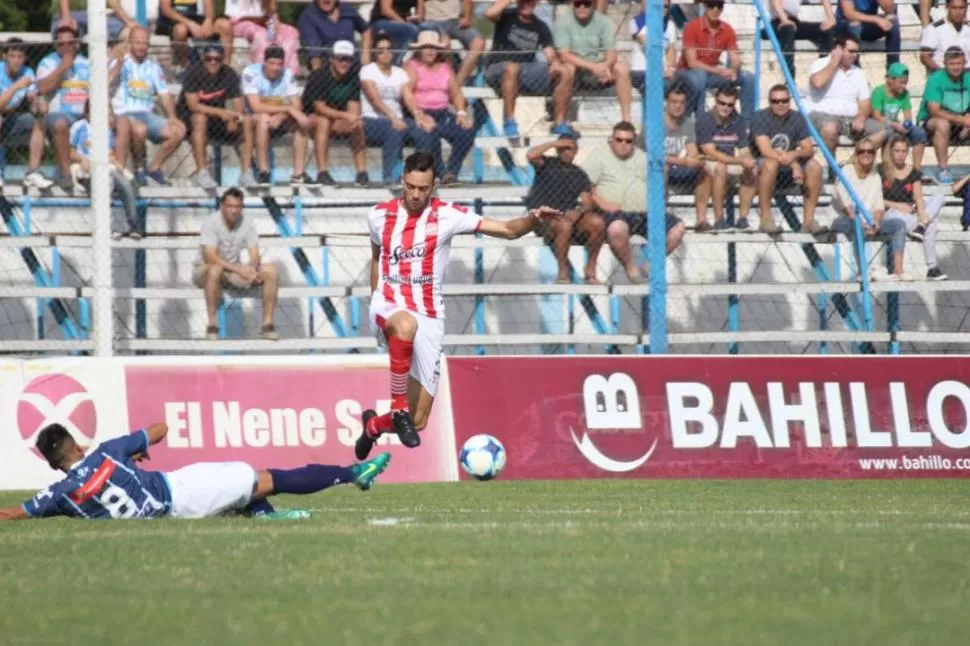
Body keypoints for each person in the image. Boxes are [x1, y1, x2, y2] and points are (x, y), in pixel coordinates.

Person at [355, 151, 563, 459]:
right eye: (410, 186)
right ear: (402, 181)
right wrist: (376, 300)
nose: (414, 194)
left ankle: (373, 426)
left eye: (422, 188)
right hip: (388, 305)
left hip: (429, 314)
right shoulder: (378, 215)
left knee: (419, 420)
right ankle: (396, 406)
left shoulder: (448, 215)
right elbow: (377, 257)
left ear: (434, 185)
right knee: (405, 326)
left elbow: (507, 230)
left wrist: (532, 219)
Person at [0, 423, 391, 521]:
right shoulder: (107, 453)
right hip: (180, 495)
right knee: (267, 478)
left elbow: (13, 513)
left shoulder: (60, 496)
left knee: (250, 482)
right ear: (78, 444)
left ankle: (264, 516)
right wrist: (132, 452)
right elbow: (160, 428)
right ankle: (354, 473)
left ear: (52, 463)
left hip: (176, 501)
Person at [584, 120, 686, 282]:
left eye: (628, 141)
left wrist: (663, 174)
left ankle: (650, 264)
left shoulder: (642, 157)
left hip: (645, 213)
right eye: (619, 140)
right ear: (612, 139)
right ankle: (631, 269)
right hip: (615, 214)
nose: (623, 144)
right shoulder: (599, 156)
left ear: (634, 141)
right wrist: (603, 203)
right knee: (617, 228)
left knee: (678, 228)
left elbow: (657, 186)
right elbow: (585, 187)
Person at [194, 187, 280, 341]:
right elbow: (210, 257)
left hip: (232, 271)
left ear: (242, 207)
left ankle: (267, 325)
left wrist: (252, 269)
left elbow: (254, 254)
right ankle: (212, 326)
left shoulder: (247, 222)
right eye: (230, 206)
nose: (234, 211)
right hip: (205, 269)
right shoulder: (211, 222)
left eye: (237, 207)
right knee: (215, 269)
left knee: (271, 271)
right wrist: (239, 270)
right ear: (222, 206)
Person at [525, 132, 606, 283]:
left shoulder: (579, 173)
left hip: (568, 217)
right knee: (564, 224)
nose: (567, 152)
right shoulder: (546, 164)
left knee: (597, 222)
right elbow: (531, 155)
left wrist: (579, 212)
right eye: (564, 148)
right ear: (558, 149)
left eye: (571, 148)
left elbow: (587, 202)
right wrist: (554, 143)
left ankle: (590, 269)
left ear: (576, 151)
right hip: (545, 218)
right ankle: (563, 271)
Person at [110, 26, 187, 187]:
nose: (141, 46)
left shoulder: (153, 67)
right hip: (124, 113)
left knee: (179, 131)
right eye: (137, 42)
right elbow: (105, 82)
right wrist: (117, 64)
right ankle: (139, 168)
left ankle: (154, 167)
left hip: (146, 114)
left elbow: (164, 94)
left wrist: (172, 117)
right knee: (140, 130)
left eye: (144, 43)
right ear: (130, 43)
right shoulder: (120, 62)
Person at [177, 42, 255, 189]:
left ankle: (246, 172)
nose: (213, 62)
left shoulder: (229, 73)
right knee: (200, 118)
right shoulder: (194, 73)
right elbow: (193, 105)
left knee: (247, 120)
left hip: (216, 120)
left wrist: (235, 117)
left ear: (223, 59)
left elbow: (238, 101)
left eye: (217, 59)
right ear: (203, 59)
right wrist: (222, 112)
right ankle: (202, 172)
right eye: (209, 59)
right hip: (189, 120)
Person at [484, 0, 566, 137]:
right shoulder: (506, 16)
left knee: (565, 71)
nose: (526, 4)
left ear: (536, 3)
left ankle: (559, 122)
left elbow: (549, 51)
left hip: (524, 71)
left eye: (530, 1)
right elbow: (489, 13)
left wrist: (555, 63)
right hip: (497, 68)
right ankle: (509, 121)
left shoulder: (540, 26)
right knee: (512, 66)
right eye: (523, 1)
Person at [402, 30, 475, 186]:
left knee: (467, 131)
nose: (430, 51)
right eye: (426, 47)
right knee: (430, 132)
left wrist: (461, 112)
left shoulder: (445, 68)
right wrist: (418, 114)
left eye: (433, 47)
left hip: (442, 114)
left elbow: (456, 94)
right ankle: (440, 174)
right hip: (421, 113)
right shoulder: (412, 66)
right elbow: (407, 93)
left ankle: (452, 172)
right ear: (419, 50)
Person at [831, 140, 910, 281]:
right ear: (856, 154)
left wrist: (876, 223)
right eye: (862, 151)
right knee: (856, 226)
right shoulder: (846, 172)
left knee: (899, 225)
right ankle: (864, 272)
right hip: (845, 220)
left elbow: (878, 206)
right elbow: (844, 204)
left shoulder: (875, 176)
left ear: (874, 155)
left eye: (870, 152)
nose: (866, 154)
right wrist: (861, 222)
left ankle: (899, 271)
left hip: (868, 221)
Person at [751, 84, 824, 233]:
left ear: (789, 101)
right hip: (764, 167)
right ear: (769, 102)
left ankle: (809, 221)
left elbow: (808, 148)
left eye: (784, 101)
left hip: (788, 167)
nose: (780, 104)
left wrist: (794, 155)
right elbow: (765, 150)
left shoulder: (797, 117)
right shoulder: (759, 117)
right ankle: (766, 220)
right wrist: (794, 164)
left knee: (815, 166)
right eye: (775, 101)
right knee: (770, 164)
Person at [28, 25, 90, 191]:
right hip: (57, 115)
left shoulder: (87, 63)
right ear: (55, 45)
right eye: (61, 44)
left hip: (83, 116)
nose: (66, 47)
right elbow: (42, 88)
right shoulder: (48, 62)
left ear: (77, 43)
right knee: (60, 123)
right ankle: (65, 174)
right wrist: (63, 67)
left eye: (70, 43)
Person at [555, 0, 633, 129]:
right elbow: (564, 54)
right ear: (572, 4)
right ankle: (562, 119)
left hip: (599, 68)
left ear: (593, 5)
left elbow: (612, 52)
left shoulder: (603, 21)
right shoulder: (563, 21)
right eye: (578, 4)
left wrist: (606, 66)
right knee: (568, 68)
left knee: (622, 68)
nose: (582, 7)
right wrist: (593, 67)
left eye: (586, 4)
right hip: (577, 70)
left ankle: (626, 120)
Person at [242, 46, 314, 185]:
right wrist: (287, 109)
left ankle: (298, 174)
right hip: (252, 119)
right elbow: (256, 107)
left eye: (279, 64)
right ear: (264, 62)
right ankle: (264, 171)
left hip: (278, 118)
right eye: (272, 63)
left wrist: (281, 116)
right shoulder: (250, 72)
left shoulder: (287, 73)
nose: (276, 68)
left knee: (303, 121)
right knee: (263, 119)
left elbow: (297, 104)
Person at [69, 101, 140, 239]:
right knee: (106, 182)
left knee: (125, 183)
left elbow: (110, 153)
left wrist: (113, 160)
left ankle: (133, 225)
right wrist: (84, 159)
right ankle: (107, 226)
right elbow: (70, 153)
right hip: (86, 169)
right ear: (88, 112)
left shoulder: (107, 130)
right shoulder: (80, 126)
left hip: (105, 167)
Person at [881, 137, 948, 280]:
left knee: (940, 196)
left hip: (913, 213)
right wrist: (897, 205)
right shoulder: (882, 170)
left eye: (904, 151)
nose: (900, 154)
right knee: (932, 225)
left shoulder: (913, 171)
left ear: (908, 153)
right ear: (891, 152)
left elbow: (918, 196)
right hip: (892, 214)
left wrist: (921, 212)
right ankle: (932, 267)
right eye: (897, 151)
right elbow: (875, 200)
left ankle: (921, 226)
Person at [675, 0, 755, 120]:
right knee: (700, 76)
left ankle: (747, 123)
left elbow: (735, 58)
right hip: (686, 72)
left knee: (748, 77)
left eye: (719, 6)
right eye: (711, 5)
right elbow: (692, 63)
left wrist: (734, 70)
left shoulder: (727, 29)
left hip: (710, 74)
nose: (715, 9)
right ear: (704, 6)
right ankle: (701, 122)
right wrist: (719, 71)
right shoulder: (692, 27)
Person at [303, 40, 368, 185]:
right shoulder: (319, 75)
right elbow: (319, 108)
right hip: (310, 118)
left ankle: (362, 172)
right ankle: (322, 172)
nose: (344, 63)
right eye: (340, 58)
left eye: (348, 59)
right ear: (332, 59)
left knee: (357, 125)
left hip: (336, 118)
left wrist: (353, 119)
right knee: (323, 121)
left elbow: (353, 105)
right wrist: (346, 116)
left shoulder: (353, 77)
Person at [696, 87, 761, 231]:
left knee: (753, 168)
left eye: (730, 105)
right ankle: (719, 219)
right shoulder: (705, 119)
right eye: (722, 103)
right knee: (720, 167)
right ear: (715, 101)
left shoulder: (738, 120)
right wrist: (739, 160)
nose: (725, 107)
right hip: (708, 161)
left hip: (730, 160)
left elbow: (744, 149)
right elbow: (710, 152)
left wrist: (747, 160)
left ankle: (743, 219)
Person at [360, 34, 413, 185]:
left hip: (398, 120)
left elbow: (408, 97)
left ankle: (425, 175)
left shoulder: (400, 73)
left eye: (389, 49)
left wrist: (419, 114)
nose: (385, 53)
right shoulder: (368, 71)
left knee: (423, 130)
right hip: (372, 120)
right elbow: (374, 100)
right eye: (381, 50)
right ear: (375, 53)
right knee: (393, 129)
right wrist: (393, 117)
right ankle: (390, 176)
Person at [917, 46, 970, 185]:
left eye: (959, 63)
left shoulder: (968, 79)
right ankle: (943, 169)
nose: (956, 67)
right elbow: (934, 110)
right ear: (945, 64)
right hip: (930, 121)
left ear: (964, 63)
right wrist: (962, 120)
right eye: (952, 64)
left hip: (959, 121)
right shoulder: (936, 79)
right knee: (942, 124)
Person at [663, 84, 712, 231]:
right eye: (674, 102)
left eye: (681, 102)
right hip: (656, 168)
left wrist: (694, 160)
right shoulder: (655, 123)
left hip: (678, 165)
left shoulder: (687, 122)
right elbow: (654, 155)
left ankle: (701, 219)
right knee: (663, 168)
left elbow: (692, 152)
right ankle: (660, 215)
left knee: (704, 168)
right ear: (667, 102)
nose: (678, 106)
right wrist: (684, 161)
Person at [0, 39, 45, 188]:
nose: (17, 61)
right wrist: (16, 86)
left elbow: (32, 98)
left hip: (11, 119)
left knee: (40, 118)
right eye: (13, 56)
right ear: (4, 56)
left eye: (20, 56)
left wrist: (38, 105)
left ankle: (32, 173)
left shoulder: (28, 72)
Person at [870, 63, 927, 170]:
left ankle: (916, 171)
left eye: (905, 82)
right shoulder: (879, 92)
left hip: (896, 124)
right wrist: (893, 124)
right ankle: (888, 169)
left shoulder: (904, 94)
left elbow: (908, 117)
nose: (904, 86)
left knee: (920, 133)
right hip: (881, 124)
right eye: (901, 82)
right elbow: (876, 116)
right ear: (890, 80)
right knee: (890, 132)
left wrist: (907, 125)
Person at [224, 0, 301, 75]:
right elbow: (236, 17)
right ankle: (262, 75)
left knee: (291, 32)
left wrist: (274, 20)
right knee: (262, 36)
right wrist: (262, 19)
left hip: (263, 22)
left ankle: (288, 74)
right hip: (241, 23)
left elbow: (272, 11)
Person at [156, 0, 233, 73]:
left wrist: (208, 21)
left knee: (224, 25)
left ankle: (226, 70)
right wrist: (190, 24)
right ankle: (183, 68)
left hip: (195, 17)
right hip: (172, 20)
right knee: (181, 30)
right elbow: (166, 9)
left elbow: (209, 8)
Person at [423, 0, 486, 86]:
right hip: (432, 21)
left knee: (479, 42)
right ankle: (448, 80)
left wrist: (467, 17)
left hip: (455, 21)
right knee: (445, 44)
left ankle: (458, 82)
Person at [766, 0, 836, 77]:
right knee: (788, 29)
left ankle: (822, 69)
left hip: (793, 21)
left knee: (826, 29)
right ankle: (789, 78)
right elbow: (775, 2)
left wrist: (831, 18)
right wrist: (784, 19)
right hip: (775, 21)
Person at [298, 0, 370, 70]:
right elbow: (314, 53)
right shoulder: (308, 16)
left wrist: (365, 53)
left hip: (354, 64)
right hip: (328, 70)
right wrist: (318, 76)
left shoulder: (347, 8)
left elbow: (366, 30)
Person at [835, 0, 901, 67]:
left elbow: (889, 10)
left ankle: (893, 67)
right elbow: (849, 14)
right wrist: (876, 19)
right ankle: (854, 68)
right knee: (855, 25)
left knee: (893, 21)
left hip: (867, 25)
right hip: (845, 26)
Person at [919, 0, 970, 72]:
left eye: (961, 8)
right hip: (942, 76)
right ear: (947, 7)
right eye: (954, 8)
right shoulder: (934, 29)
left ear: (966, 8)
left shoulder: (968, 29)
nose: (958, 12)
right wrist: (943, 76)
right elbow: (925, 57)